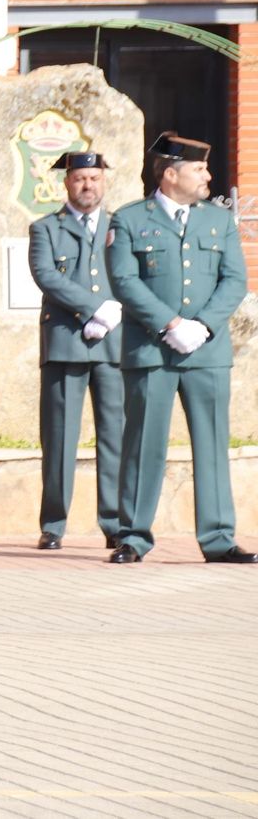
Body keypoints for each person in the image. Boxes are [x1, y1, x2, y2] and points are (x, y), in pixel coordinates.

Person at [105, 132, 257, 565]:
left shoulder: (218, 220)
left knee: (212, 445)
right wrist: (169, 324)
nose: (208, 176)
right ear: (170, 174)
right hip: (152, 351)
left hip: (206, 352)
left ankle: (219, 538)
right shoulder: (130, 219)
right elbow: (124, 280)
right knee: (143, 444)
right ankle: (133, 536)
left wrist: (203, 327)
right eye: (198, 169)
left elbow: (235, 280)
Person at [27, 150, 123, 551]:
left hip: (115, 344)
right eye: (81, 178)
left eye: (95, 179)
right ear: (66, 183)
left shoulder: (122, 226)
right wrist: (92, 309)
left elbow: (131, 274)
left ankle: (116, 523)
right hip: (67, 343)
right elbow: (46, 275)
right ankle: (54, 523)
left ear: (104, 182)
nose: (88, 186)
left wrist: (112, 313)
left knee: (115, 436)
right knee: (60, 437)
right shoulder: (46, 228)